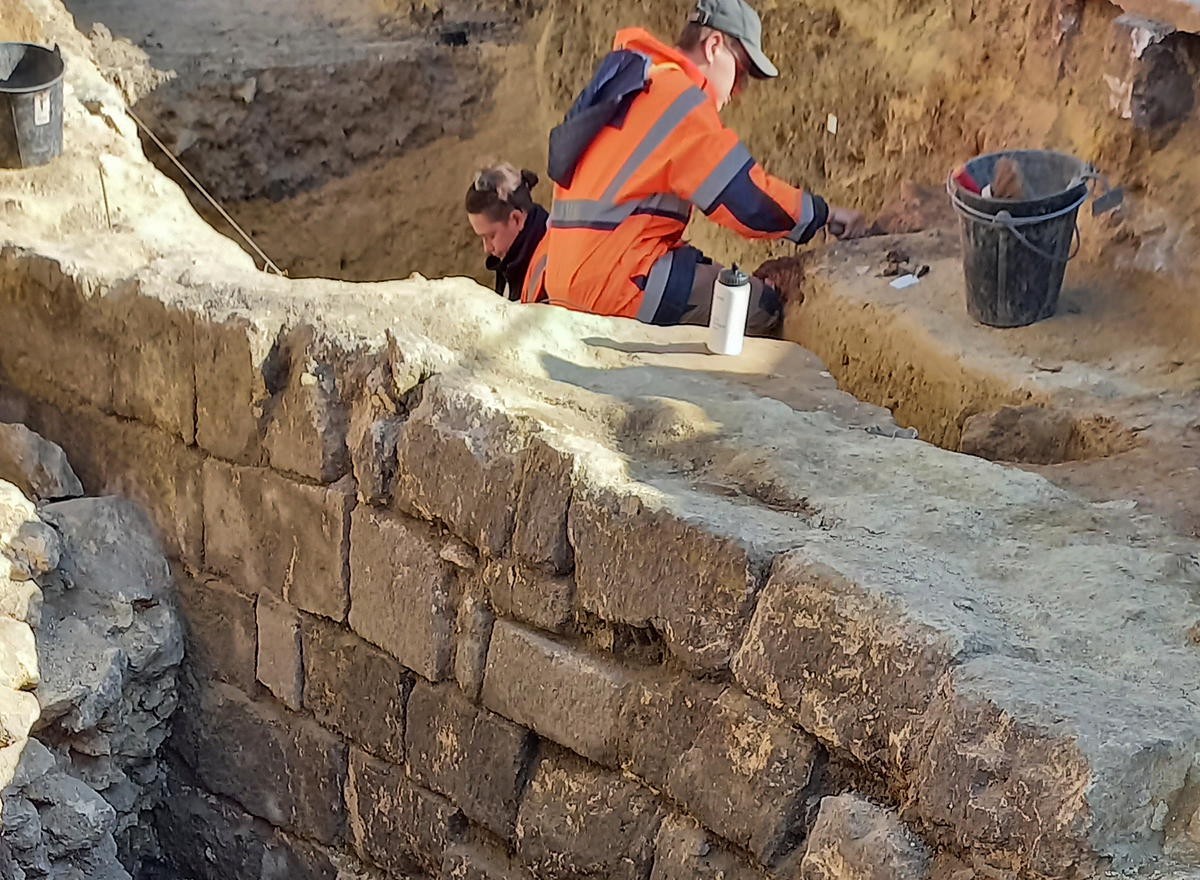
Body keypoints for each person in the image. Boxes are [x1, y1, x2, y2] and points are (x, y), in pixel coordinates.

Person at [523, 0, 867, 333]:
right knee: (760, 308)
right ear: (714, 45)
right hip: (612, 283)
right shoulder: (680, 100)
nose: (738, 90)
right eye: (741, 72)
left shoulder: (632, 79)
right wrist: (824, 214)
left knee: (698, 269)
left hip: (564, 275)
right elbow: (748, 201)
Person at [465, 163, 550, 302]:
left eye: (491, 236)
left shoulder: (552, 269)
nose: (487, 248)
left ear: (516, 219)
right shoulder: (511, 263)